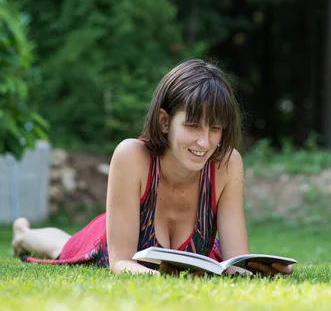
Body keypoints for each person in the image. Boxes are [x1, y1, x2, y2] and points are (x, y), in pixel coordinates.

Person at [12, 59, 293, 278]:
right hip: (109, 236)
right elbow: (121, 262)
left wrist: (259, 270)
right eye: (193, 125)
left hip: (186, 255)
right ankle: (23, 235)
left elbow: (234, 261)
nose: (205, 141)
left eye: (215, 128)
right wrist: (163, 278)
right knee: (63, 246)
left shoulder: (227, 164)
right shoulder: (131, 156)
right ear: (164, 121)